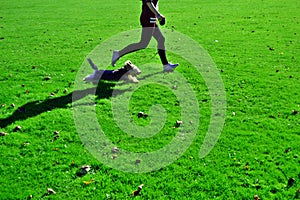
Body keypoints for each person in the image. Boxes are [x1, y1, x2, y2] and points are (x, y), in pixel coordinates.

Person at [111, 0, 179, 72]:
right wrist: (158, 15)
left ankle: (166, 65)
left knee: (161, 39)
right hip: (148, 19)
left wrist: (157, 15)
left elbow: (155, 2)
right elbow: (148, 2)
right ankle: (118, 53)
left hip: (151, 18)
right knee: (143, 44)